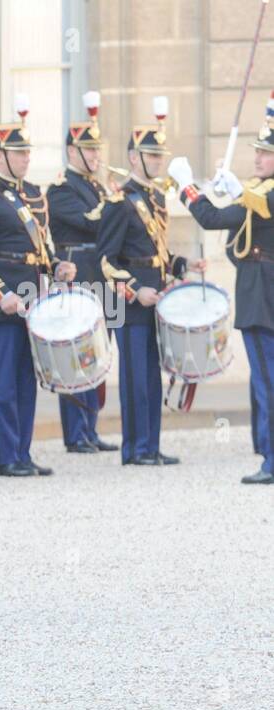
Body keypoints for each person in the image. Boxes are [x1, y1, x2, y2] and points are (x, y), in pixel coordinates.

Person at [0, 95, 76, 476]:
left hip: (35, 299)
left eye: (27, 151)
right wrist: (1, 295)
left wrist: (58, 266)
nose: (26, 157)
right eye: (18, 151)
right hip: (5, 302)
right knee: (4, 384)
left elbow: (42, 248)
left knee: (29, 382)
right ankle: (6, 457)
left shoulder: (34, 194)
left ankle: (23, 453)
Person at [97, 97, 204, 466]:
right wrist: (133, 290)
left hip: (156, 296)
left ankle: (151, 445)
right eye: (151, 156)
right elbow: (106, 261)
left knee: (153, 377)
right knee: (134, 378)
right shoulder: (118, 201)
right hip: (131, 300)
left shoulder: (156, 197)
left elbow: (157, 252)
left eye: (161, 156)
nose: (158, 161)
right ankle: (135, 448)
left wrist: (184, 264)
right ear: (133, 158)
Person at [171, 106, 274, 484]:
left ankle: (271, 461)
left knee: (267, 380)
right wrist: (237, 192)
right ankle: (267, 451)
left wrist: (186, 186)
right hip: (260, 287)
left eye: (265, 152)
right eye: (258, 151)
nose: (258, 157)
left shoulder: (263, 195)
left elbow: (212, 218)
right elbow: (234, 243)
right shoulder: (258, 193)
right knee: (265, 379)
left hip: (263, 296)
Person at [46, 91, 118, 454]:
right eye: (88, 150)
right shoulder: (61, 188)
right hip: (79, 275)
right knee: (76, 353)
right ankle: (75, 433)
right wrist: (116, 202)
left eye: (97, 149)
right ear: (72, 152)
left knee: (99, 352)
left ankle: (90, 427)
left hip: (100, 276)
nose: (96, 155)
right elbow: (91, 224)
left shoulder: (96, 186)